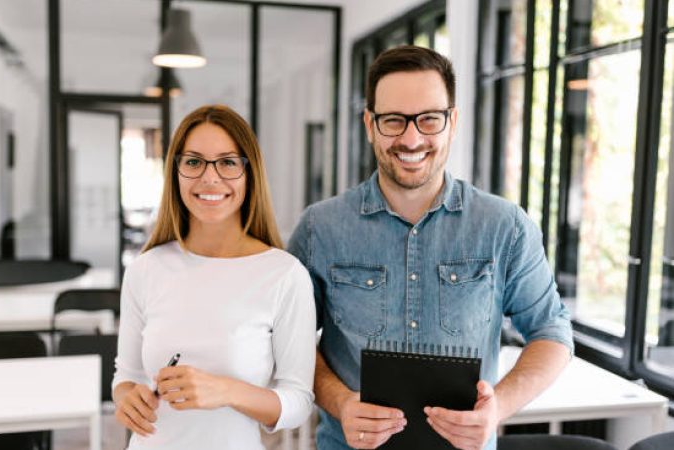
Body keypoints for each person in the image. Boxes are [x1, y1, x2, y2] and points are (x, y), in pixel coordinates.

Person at [288, 45, 573, 450]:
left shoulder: (504, 227)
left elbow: (552, 331)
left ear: (452, 122)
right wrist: (340, 401)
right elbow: (290, 340)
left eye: (428, 119)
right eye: (393, 120)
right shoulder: (320, 228)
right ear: (370, 125)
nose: (411, 137)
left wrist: (499, 408)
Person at [113, 105, 316, 449]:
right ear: (175, 172)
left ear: (249, 172)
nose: (210, 178)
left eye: (227, 162)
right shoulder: (146, 269)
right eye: (193, 161)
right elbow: (127, 377)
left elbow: (298, 403)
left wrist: (225, 390)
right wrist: (127, 399)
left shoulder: (284, 275)